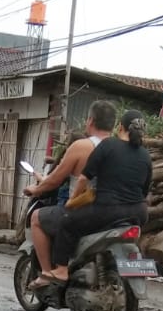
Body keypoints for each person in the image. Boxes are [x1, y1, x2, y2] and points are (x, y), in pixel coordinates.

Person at [33, 108, 152, 287]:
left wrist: (73, 200)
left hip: (107, 210)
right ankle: (135, 271)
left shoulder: (109, 145)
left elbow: (83, 178)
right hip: (139, 213)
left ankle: (61, 270)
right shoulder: (145, 155)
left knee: (67, 222)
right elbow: (144, 190)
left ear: (120, 127)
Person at [24, 100, 116, 282]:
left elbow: (54, 180)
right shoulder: (120, 148)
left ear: (90, 121)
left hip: (82, 212)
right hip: (113, 212)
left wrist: (36, 189)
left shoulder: (81, 146)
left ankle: (47, 273)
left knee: (36, 217)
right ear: (114, 125)